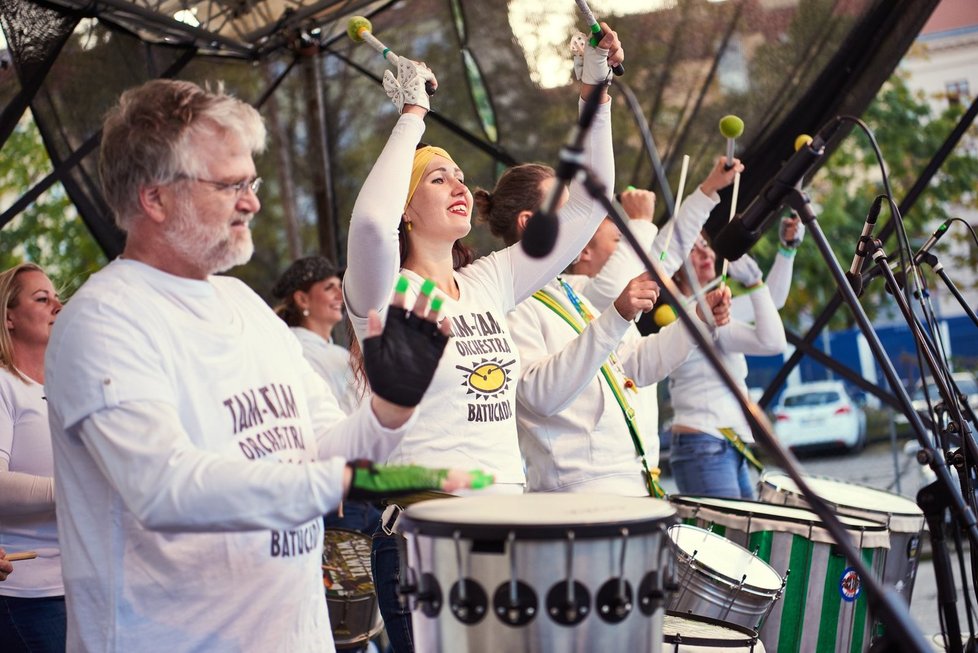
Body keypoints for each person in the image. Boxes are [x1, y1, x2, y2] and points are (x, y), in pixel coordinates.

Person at [43, 79, 481, 653]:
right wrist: (344, 481)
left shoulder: (245, 306)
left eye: (251, 181)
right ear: (154, 198)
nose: (251, 200)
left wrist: (390, 408)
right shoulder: (102, 320)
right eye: (229, 184)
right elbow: (165, 489)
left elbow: (323, 446)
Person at [343, 25, 623, 652]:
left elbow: (586, 210)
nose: (460, 185)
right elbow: (367, 220)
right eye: (438, 179)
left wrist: (594, 92)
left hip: (507, 524)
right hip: (428, 538)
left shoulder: (488, 282)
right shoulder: (381, 291)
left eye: (461, 175)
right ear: (407, 209)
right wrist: (412, 116)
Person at [478, 163, 738, 496]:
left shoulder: (572, 290)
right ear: (529, 224)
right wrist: (617, 312)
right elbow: (539, 395)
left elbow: (638, 364)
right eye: (566, 210)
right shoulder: (508, 303)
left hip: (633, 488)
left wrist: (698, 318)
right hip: (580, 502)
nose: (580, 220)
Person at [667, 219, 802, 499]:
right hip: (704, 444)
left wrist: (786, 251)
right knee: (726, 539)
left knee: (742, 539)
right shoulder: (696, 312)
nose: (705, 253)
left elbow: (771, 300)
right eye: (693, 249)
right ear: (673, 266)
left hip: (720, 442)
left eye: (705, 244)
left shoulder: (707, 305)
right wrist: (753, 282)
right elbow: (773, 342)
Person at [0, 262, 65, 653]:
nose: (57, 305)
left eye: (57, 296)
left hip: (80, 583)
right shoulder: (5, 385)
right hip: (27, 594)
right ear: (8, 317)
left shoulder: (65, 388)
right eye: (42, 299)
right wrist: (78, 491)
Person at [273, 256, 358, 415]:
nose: (340, 296)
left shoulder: (342, 354)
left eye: (340, 287)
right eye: (329, 288)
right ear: (302, 299)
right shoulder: (297, 351)